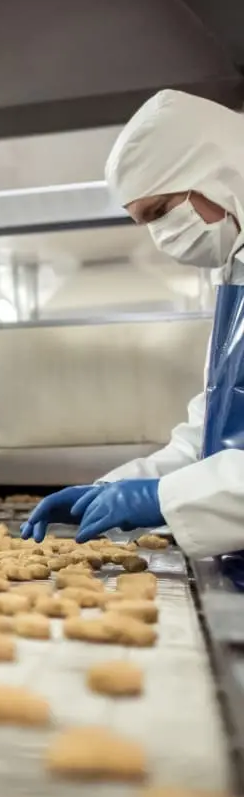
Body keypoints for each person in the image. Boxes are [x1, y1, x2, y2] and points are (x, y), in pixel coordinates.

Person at [22, 89, 244, 562]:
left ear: (217, 173)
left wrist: (159, 499)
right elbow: (211, 437)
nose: (161, 236)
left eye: (160, 211)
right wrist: (113, 488)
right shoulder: (236, 276)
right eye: (142, 222)